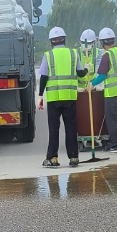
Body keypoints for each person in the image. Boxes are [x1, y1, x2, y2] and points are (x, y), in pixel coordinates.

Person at [36, 26, 86, 167]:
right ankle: (74, 157)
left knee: (54, 129)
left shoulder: (48, 55)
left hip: (54, 99)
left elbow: (44, 77)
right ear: (64, 39)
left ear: (51, 41)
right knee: (71, 128)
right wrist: (86, 68)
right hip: (70, 97)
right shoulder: (73, 53)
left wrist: (40, 96)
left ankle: (52, 158)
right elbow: (81, 73)